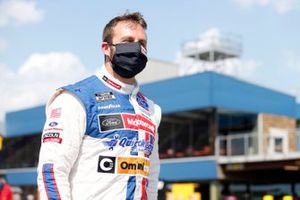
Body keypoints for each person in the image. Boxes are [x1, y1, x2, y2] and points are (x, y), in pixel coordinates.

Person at [37, 11, 161, 200]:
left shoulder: (151, 109)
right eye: (128, 40)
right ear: (106, 48)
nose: (136, 47)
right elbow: (52, 171)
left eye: (142, 43)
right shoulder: (75, 99)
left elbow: (150, 177)